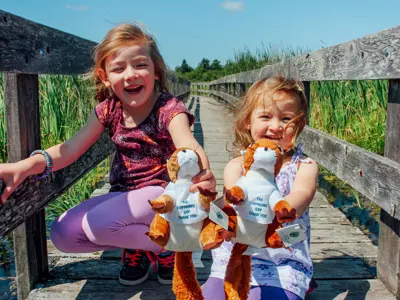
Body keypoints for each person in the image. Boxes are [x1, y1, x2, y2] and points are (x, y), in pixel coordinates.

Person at [0, 23, 215, 287]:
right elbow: (70, 149)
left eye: (140, 65)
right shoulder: (108, 110)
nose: (130, 75)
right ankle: (148, 246)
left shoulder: (168, 108)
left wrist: (203, 172)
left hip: (164, 194)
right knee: (62, 234)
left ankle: (169, 247)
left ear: (156, 71)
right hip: (123, 195)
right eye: (118, 68)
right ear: (104, 77)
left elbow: (186, 141)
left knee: (99, 224)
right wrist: (26, 165)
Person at [202, 76, 319, 299]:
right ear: (248, 121)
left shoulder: (304, 166)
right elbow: (232, 200)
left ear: (298, 125)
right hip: (236, 256)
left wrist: (284, 208)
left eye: (286, 118)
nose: (275, 127)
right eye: (265, 116)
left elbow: (302, 194)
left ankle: (300, 281)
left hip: (283, 259)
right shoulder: (236, 166)